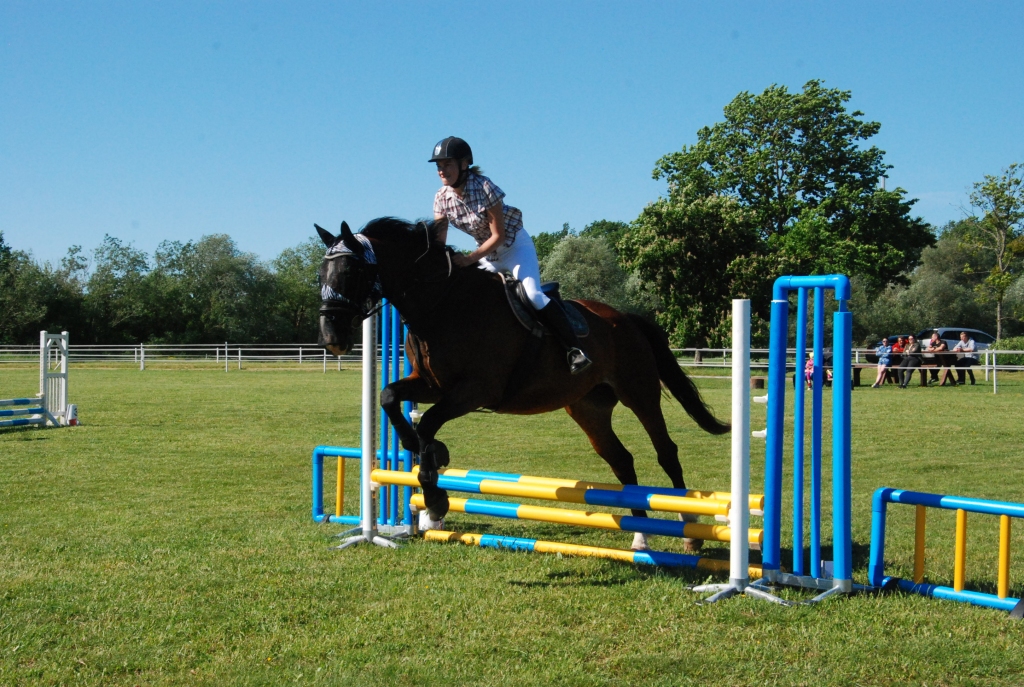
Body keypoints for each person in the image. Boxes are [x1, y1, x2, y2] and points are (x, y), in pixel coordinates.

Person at [430, 136, 591, 374]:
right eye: (439, 166)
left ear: (464, 164)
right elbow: (439, 242)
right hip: (487, 255)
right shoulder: (441, 198)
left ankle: (574, 351)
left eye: (448, 164)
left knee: (533, 295)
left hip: (514, 247)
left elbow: (498, 236)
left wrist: (467, 260)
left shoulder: (485, 187)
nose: (442, 171)